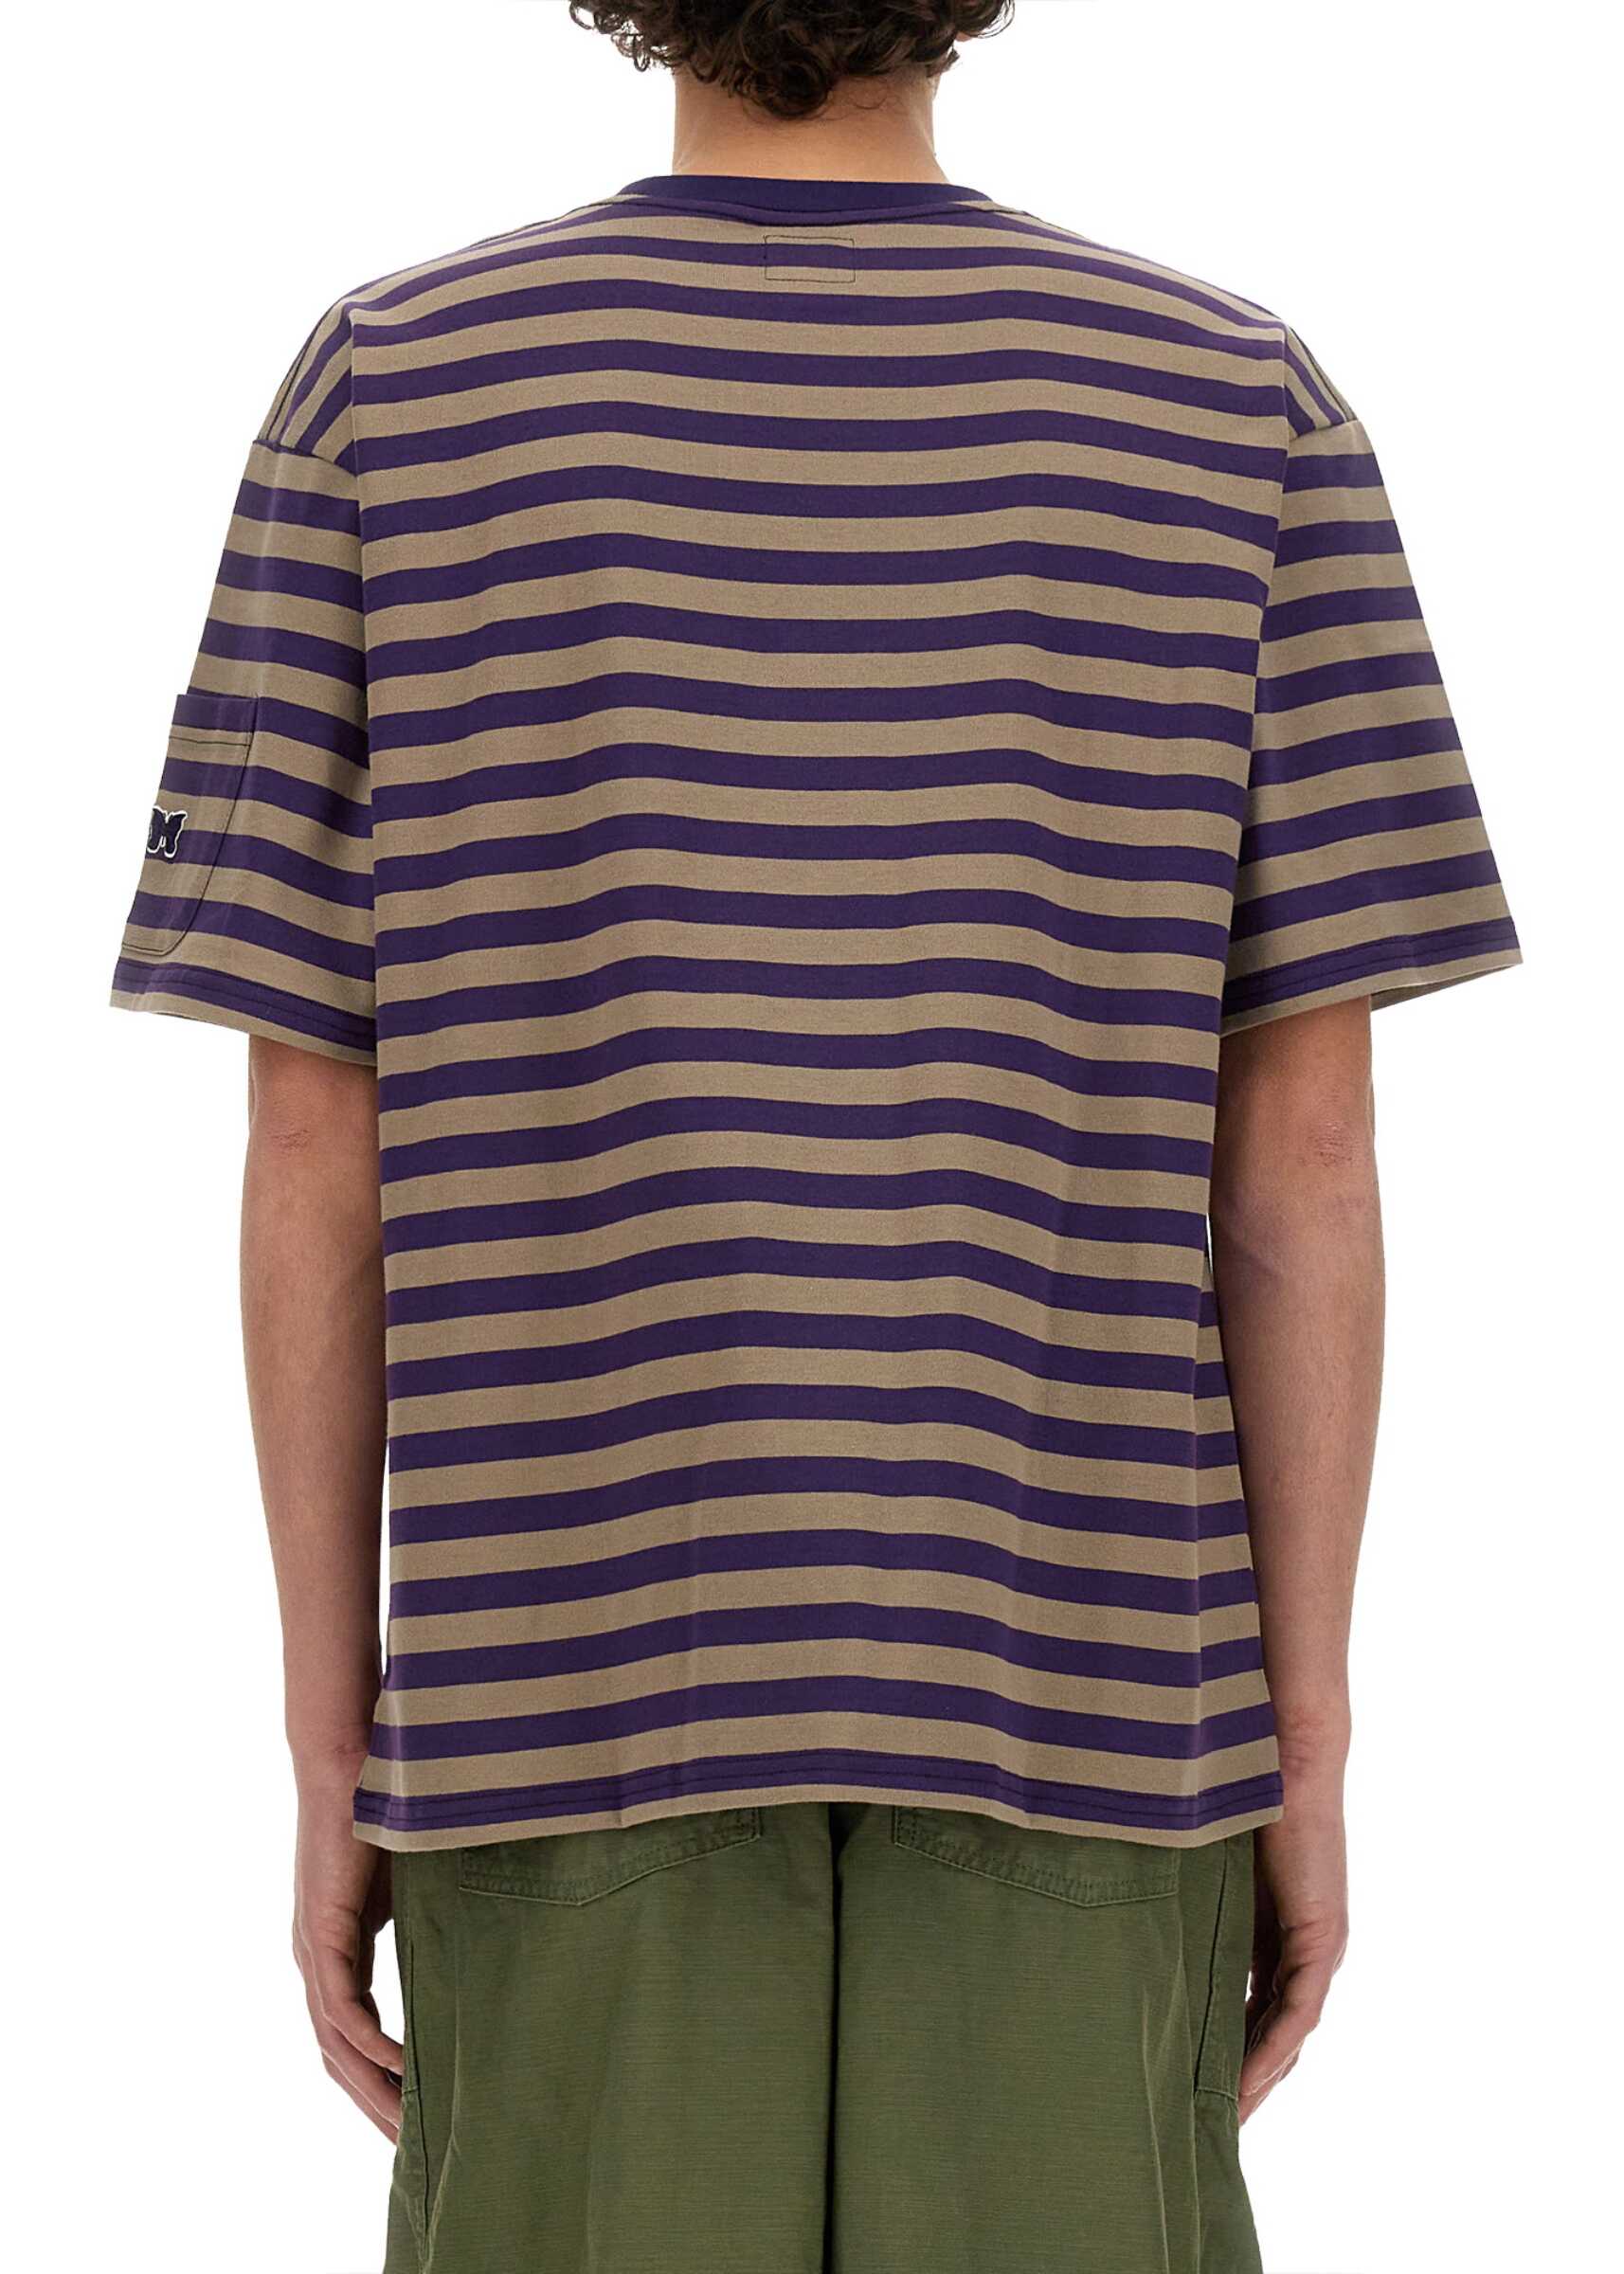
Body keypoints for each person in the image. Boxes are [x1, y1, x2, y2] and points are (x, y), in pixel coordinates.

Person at [110, 3, 1519, 2267]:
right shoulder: (1228, 403)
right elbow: (1303, 1169)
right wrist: (1307, 1742)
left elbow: (314, 1165)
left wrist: (329, 1744)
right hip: (1089, 1705)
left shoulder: (394, 391)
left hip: (551, 1702)